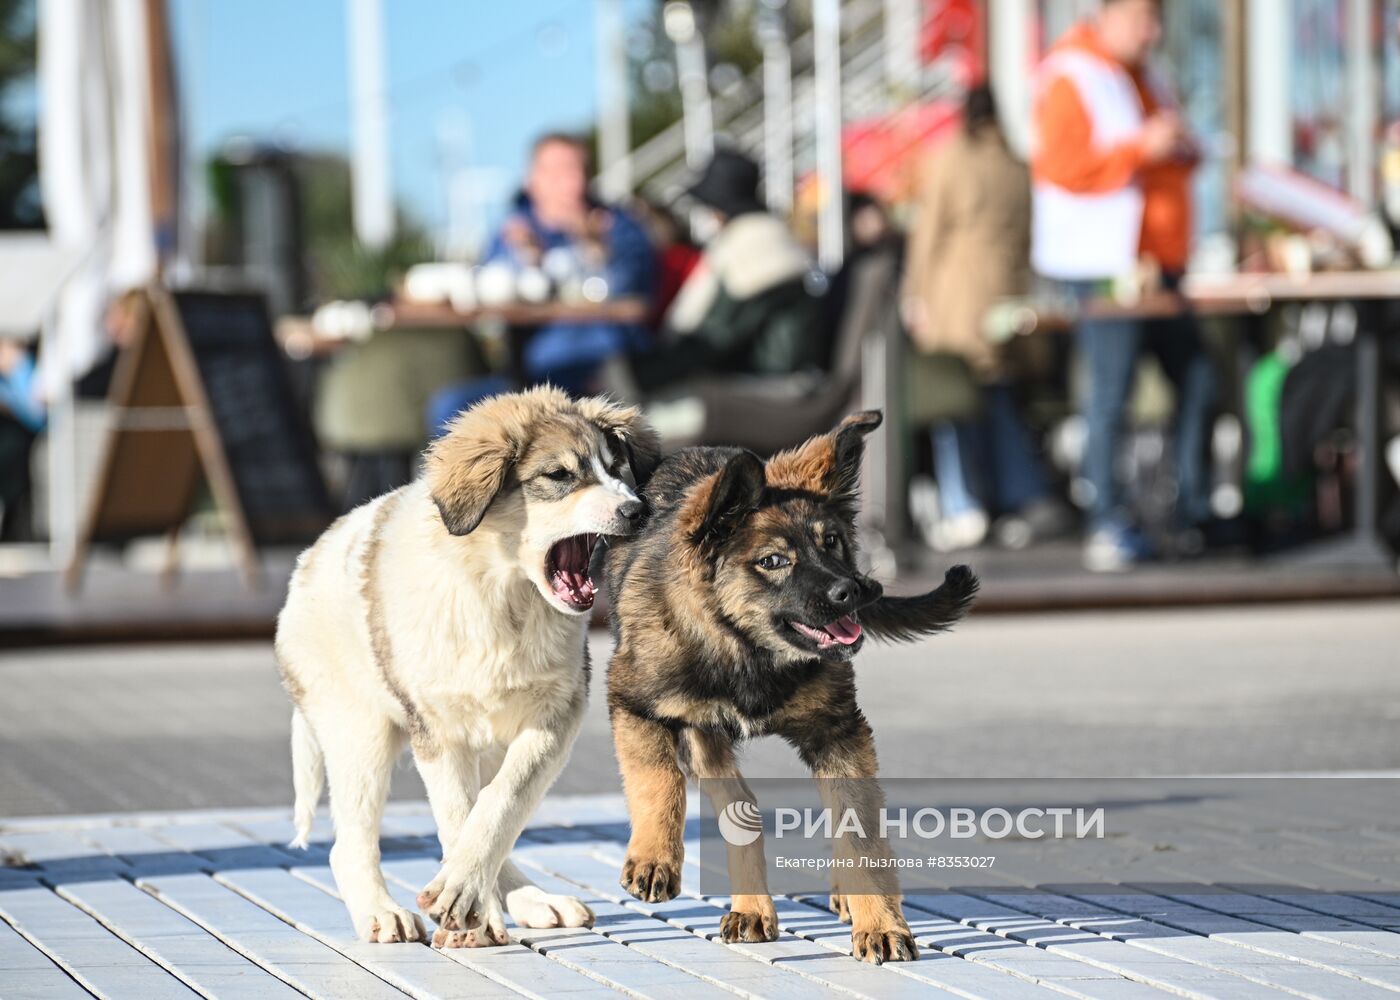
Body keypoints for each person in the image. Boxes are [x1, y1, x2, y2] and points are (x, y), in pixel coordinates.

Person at [1032, 0, 1217, 571]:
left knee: (1200, 378)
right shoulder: (1072, 73)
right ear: (1107, 15)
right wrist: (1145, 145)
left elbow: (1172, 157)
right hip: (1106, 262)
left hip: (1158, 263)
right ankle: (1106, 521)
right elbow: (1062, 165)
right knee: (1111, 393)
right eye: (1143, 17)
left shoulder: (1147, 76)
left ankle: (1190, 512)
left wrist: (1181, 145)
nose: (1154, 30)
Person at [902, 85, 1068, 551]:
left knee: (953, 402)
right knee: (999, 397)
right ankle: (1023, 493)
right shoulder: (1017, 165)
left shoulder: (951, 159)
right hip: (1008, 298)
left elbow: (928, 233)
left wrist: (914, 294)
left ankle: (967, 503)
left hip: (957, 295)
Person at [427, 133, 655, 432]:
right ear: (532, 179)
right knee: (450, 408)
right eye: (559, 171)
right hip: (530, 377)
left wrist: (597, 249)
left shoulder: (616, 225)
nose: (573, 183)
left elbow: (632, 295)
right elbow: (488, 289)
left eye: (579, 170)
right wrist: (524, 257)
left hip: (605, 368)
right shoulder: (513, 230)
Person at [619, 149, 825, 394]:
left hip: (767, 382)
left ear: (719, 209)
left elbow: (711, 340)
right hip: (778, 373)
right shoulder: (772, 240)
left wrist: (637, 377)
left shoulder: (751, 252)